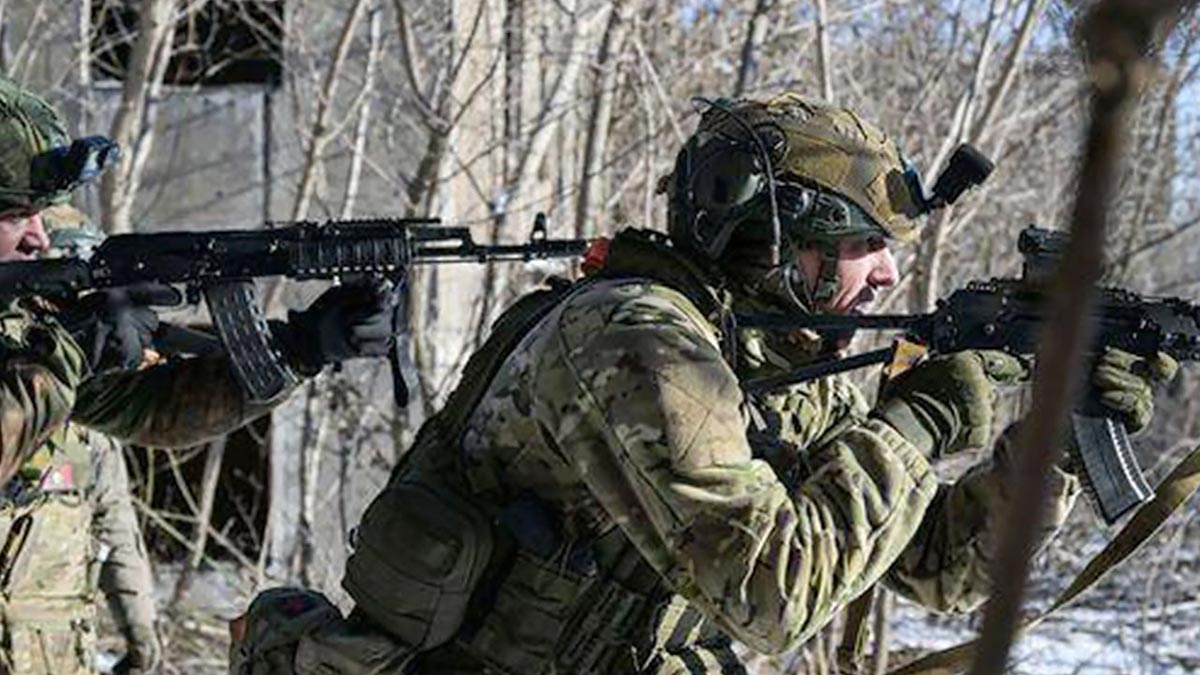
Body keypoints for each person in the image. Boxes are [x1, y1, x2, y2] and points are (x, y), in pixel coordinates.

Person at [229, 94, 1174, 674]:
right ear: (777, 235)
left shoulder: (781, 366)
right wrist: (919, 420)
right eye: (863, 244)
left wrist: (1050, 442)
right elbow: (773, 596)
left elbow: (935, 564)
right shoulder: (634, 339)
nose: (889, 273)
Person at [0, 76, 395, 674]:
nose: (39, 236)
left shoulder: (27, 315)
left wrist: (302, 346)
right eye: (14, 215)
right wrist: (69, 349)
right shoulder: (47, 347)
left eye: (40, 213)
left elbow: (150, 408)